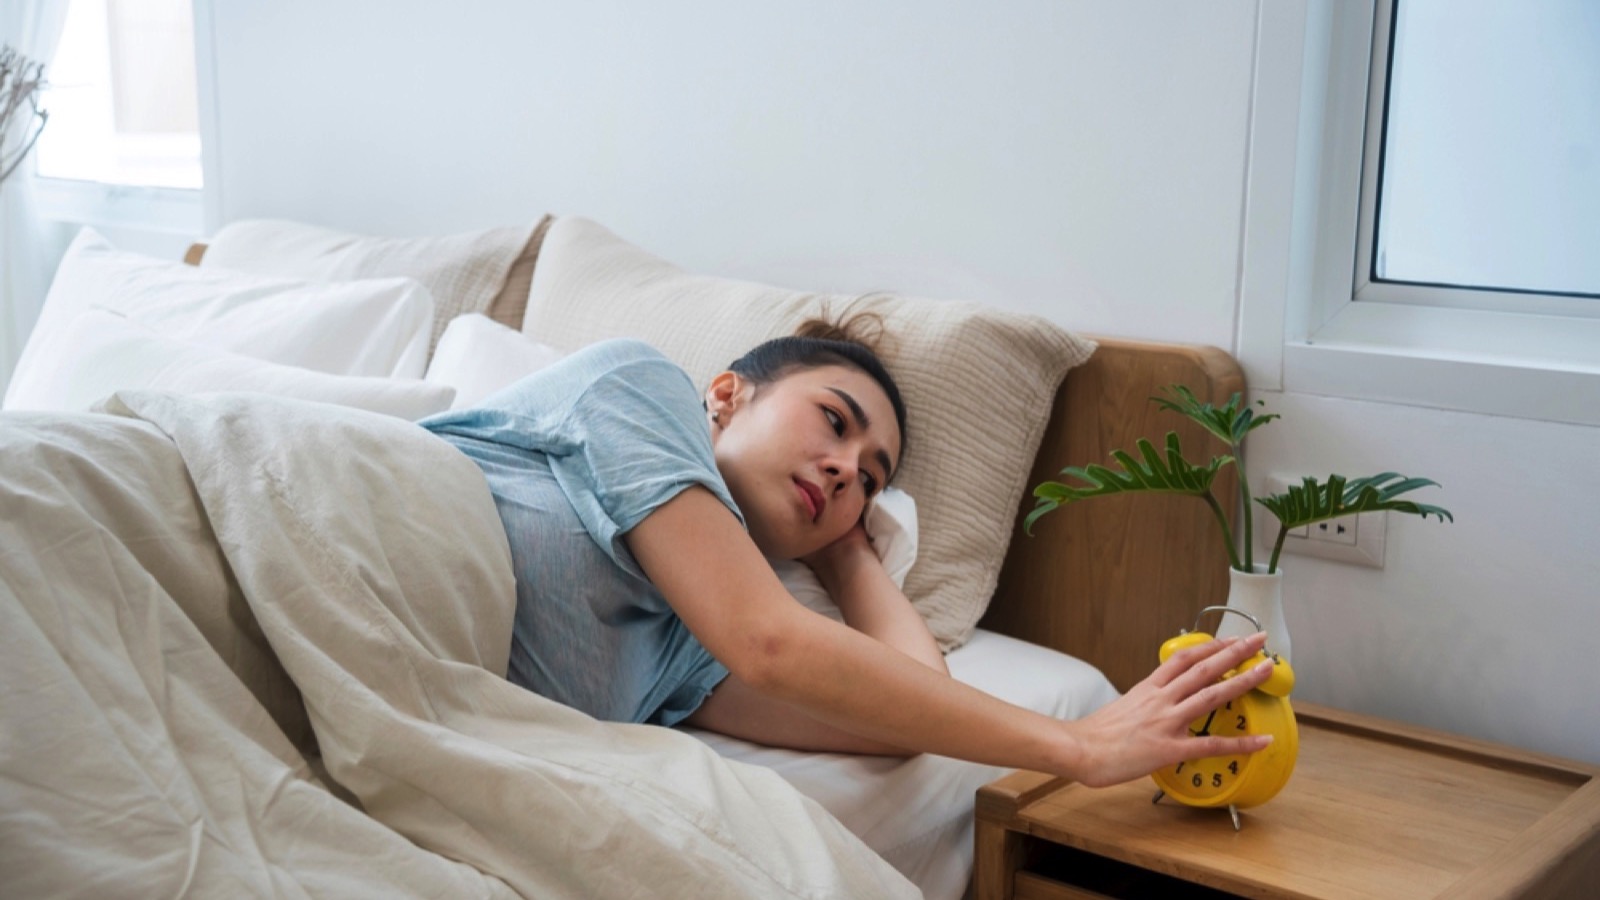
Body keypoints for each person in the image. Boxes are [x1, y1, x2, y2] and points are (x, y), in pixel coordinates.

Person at [420, 313, 1275, 789]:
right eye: (833, 421)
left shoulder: (689, 662)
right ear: (727, 394)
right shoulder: (638, 389)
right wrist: (1078, 747)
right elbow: (769, 638)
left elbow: (903, 714)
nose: (844, 471)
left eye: (872, 478)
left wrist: (849, 555)